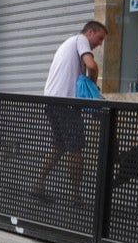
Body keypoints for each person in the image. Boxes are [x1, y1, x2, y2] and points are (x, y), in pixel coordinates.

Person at [33, 20, 107, 203]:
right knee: (76, 148)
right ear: (90, 32)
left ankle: (37, 186)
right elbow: (92, 66)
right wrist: (92, 87)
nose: (100, 44)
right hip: (66, 104)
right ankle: (75, 196)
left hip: (52, 102)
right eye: (100, 38)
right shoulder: (81, 39)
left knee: (59, 147)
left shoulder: (68, 42)